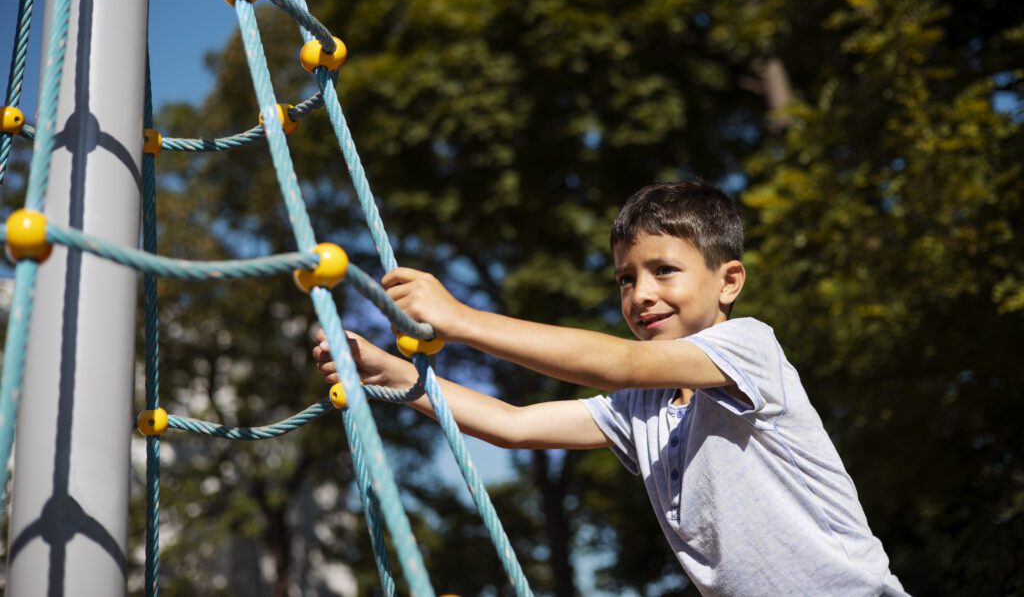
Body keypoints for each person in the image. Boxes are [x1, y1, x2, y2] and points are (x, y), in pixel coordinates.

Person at [313, 180, 907, 596]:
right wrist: (397, 376)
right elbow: (515, 426)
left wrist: (460, 318)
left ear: (728, 281)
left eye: (663, 270)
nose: (640, 293)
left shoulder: (749, 348)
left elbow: (618, 362)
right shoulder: (642, 411)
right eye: (626, 279)